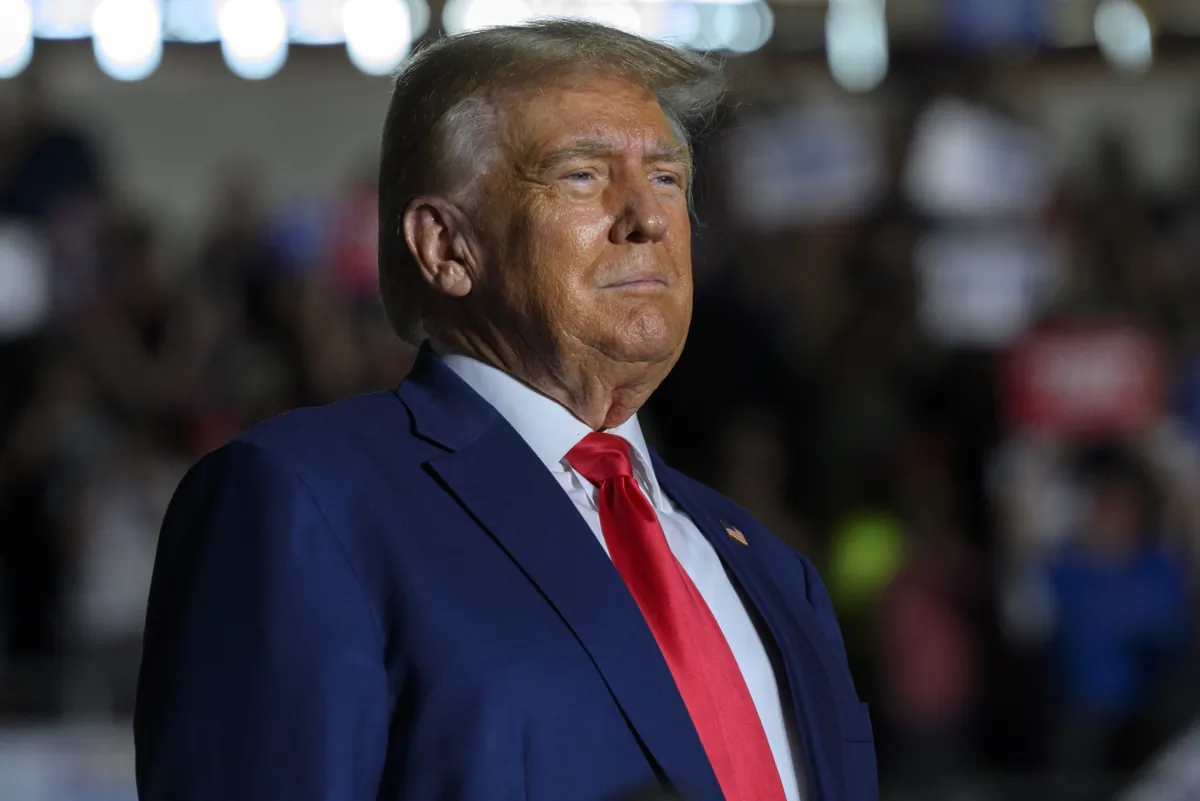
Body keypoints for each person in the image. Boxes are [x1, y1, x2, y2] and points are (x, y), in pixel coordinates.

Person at [134, 20, 877, 801]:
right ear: (446, 246)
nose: (650, 218)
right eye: (583, 176)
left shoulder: (770, 567)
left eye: (665, 178)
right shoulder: (304, 505)